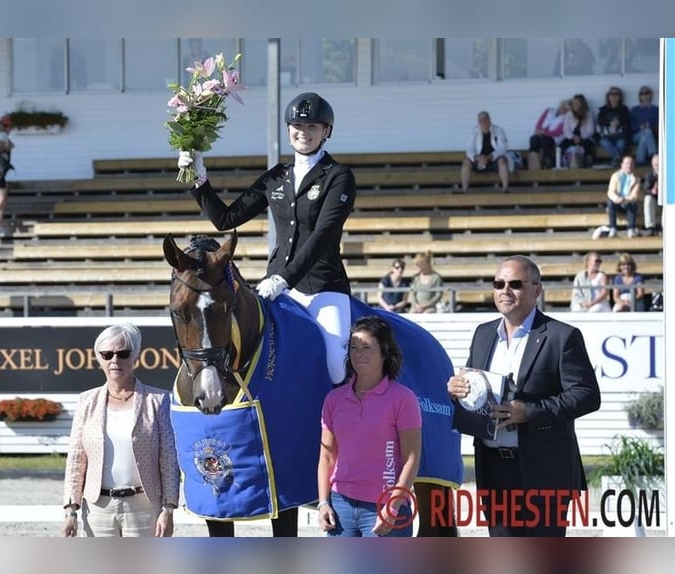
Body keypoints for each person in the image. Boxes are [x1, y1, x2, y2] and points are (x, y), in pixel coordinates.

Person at [178, 92, 356, 385]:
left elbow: (324, 234)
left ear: (326, 132)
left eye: (313, 126)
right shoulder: (276, 177)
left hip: (323, 287)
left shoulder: (338, 176)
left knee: (336, 364)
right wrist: (199, 178)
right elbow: (226, 219)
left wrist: (283, 279)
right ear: (288, 131)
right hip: (278, 288)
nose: (304, 133)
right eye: (298, 126)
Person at [447, 255, 600, 537]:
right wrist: (459, 390)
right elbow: (477, 390)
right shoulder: (482, 334)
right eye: (499, 283)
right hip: (492, 468)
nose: (505, 290)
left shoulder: (561, 336)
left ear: (537, 290)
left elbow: (587, 395)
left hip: (543, 470)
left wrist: (528, 412)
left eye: (515, 284)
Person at [61, 323, 180, 537]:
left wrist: (168, 508)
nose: (115, 360)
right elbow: (76, 459)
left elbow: (169, 458)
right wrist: (71, 510)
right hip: (98, 508)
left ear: (135, 357)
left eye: (123, 353)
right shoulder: (86, 401)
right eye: (107, 354)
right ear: (99, 359)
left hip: (145, 507)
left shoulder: (158, 400)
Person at [316, 316, 422, 537]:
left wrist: (393, 507)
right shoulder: (334, 399)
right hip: (340, 508)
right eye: (354, 347)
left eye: (366, 347)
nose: (358, 354)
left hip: (384, 507)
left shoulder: (403, 398)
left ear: (384, 353)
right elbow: (326, 457)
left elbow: (411, 458)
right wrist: (323, 503)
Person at [460, 111, 510, 193]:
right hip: (479, 161)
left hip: (493, 160)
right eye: (481, 120)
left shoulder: (499, 130)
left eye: (485, 119)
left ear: (490, 119)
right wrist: (477, 158)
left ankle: (505, 188)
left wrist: (489, 157)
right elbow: (469, 149)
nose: (484, 122)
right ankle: (464, 189)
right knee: (466, 162)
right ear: (478, 122)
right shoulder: (474, 131)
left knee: (502, 161)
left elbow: (502, 148)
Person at [527, 100, 569, 170]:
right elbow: (540, 121)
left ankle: (546, 162)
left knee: (544, 141)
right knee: (533, 139)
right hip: (541, 134)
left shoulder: (566, 118)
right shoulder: (549, 111)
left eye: (566, 109)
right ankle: (534, 160)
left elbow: (558, 132)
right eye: (563, 107)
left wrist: (543, 132)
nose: (563, 110)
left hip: (553, 138)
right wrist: (538, 129)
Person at [606, 155, 641, 238]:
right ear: (622, 165)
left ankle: (631, 229)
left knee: (633, 203)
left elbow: (635, 194)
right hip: (617, 202)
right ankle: (613, 228)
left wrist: (625, 199)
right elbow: (611, 192)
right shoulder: (615, 176)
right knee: (610, 202)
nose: (629, 166)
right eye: (627, 163)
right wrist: (617, 199)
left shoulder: (636, 179)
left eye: (631, 164)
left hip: (628, 202)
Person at [596, 86, 631, 167]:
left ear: (620, 96)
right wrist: (609, 123)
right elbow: (600, 121)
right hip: (606, 136)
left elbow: (627, 120)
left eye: (616, 94)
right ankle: (618, 158)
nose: (614, 96)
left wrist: (619, 122)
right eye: (611, 94)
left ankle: (616, 161)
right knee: (604, 142)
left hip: (620, 136)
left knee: (621, 144)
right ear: (608, 97)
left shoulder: (624, 109)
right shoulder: (603, 109)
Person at [559, 94, 596, 168]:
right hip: (572, 137)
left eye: (577, 103)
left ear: (582, 104)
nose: (575, 105)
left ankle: (587, 162)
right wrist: (573, 137)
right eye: (573, 103)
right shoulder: (568, 115)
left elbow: (591, 130)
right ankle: (561, 163)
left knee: (589, 145)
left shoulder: (588, 115)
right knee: (562, 145)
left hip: (584, 138)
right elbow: (566, 130)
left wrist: (581, 137)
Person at [630, 85, 658, 166]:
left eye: (647, 93)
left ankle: (639, 161)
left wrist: (649, 126)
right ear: (640, 96)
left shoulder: (656, 110)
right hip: (636, 135)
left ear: (650, 95)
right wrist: (640, 127)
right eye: (642, 93)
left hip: (651, 135)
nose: (644, 95)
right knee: (646, 133)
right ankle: (654, 155)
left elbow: (660, 123)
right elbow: (630, 126)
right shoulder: (635, 110)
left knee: (645, 136)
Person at [641, 153, 659, 236]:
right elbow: (646, 189)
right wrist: (652, 191)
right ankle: (650, 227)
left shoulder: (669, 173)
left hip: (665, 198)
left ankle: (666, 226)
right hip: (655, 197)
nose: (657, 166)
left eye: (659, 164)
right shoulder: (649, 174)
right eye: (656, 165)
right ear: (652, 165)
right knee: (648, 199)